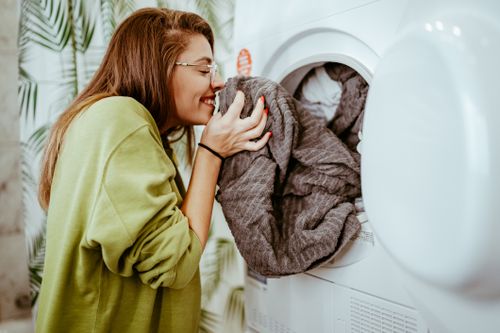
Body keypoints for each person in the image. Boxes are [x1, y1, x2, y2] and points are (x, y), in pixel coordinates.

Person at [35, 7, 271, 333]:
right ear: (159, 66)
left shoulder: (119, 124)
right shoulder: (119, 120)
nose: (216, 83)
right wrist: (211, 151)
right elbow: (176, 263)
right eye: (203, 69)